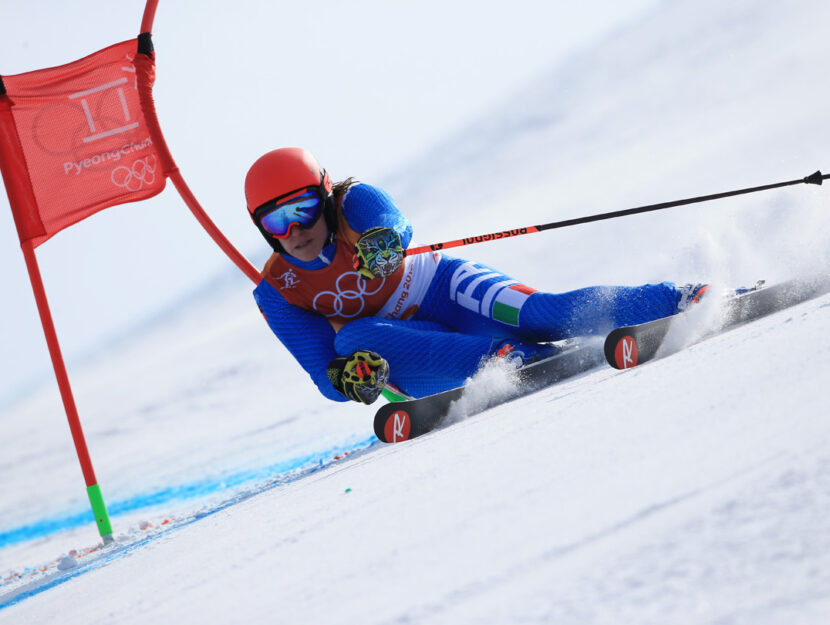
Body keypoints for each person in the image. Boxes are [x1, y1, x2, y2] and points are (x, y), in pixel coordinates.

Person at [247, 148, 707, 404]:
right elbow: (321, 372)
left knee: (543, 312)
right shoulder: (276, 291)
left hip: (445, 289)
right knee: (350, 345)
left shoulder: (353, 203)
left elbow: (393, 222)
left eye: (303, 209)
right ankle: (510, 359)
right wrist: (348, 380)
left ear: (324, 199)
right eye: (275, 220)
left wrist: (384, 242)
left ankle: (683, 298)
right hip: (408, 345)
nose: (294, 230)